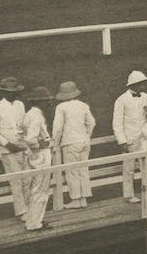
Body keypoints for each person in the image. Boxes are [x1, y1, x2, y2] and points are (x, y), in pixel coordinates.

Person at [50, 80, 95, 209]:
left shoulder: (61, 107)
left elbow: (57, 128)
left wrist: (55, 142)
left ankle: (76, 199)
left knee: (72, 172)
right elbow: (92, 122)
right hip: (84, 142)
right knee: (83, 170)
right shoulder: (83, 105)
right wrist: (87, 135)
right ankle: (84, 199)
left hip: (70, 142)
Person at [111, 70, 147, 203]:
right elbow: (117, 122)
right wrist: (122, 141)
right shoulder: (121, 100)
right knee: (129, 167)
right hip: (130, 139)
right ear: (133, 84)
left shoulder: (145, 97)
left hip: (144, 137)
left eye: (143, 83)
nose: (143, 86)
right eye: (141, 84)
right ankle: (129, 195)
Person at [0, 76, 28, 220]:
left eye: (15, 91)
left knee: (26, 179)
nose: (13, 94)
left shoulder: (20, 105)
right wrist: (7, 144)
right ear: (3, 93)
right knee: (16, 181)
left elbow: (23, 124)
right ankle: (21, 211)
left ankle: (29, 208)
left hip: (22, 147)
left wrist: (23, 141)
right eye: (9, 92)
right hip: (8, 150)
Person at [20, 87, 55, 230]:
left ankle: (33, 220)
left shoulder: (29, 114)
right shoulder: (37, 116)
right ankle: (34, 223)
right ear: (40, 102)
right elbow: (30, 139)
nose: (48, 103)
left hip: (33, 155)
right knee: (40, 189)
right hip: (40, 154)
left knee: (35, 188)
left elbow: (22, 134)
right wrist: (43, 143)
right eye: (46, 101)